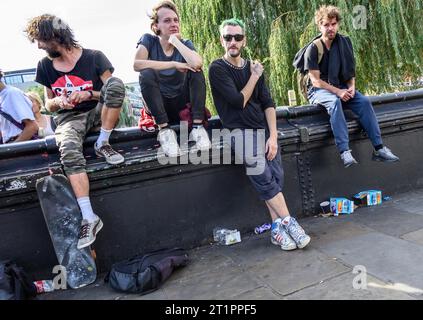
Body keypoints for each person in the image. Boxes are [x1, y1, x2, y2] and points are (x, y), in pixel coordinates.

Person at [209, 18, 311, 251]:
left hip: (262, 130)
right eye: (228, 37)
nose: (232, 41)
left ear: (243, 40)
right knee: (263, 177)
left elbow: (268, 103)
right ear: (221, 40)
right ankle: (290, 222)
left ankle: (276, 229)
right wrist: (254, 76)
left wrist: (273, 136)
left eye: (237, 37)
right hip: (239, 133)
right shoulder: (217, 68)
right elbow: (238, 101)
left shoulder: (252, 66)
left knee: (275, 179)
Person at [25, 14, 126, 249]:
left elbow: (112, 92)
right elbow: (47, 104)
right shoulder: (45, 66)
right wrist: (59, 101)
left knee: (116, 83)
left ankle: (103, 142)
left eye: (40, 40)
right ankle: (89, 217)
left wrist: (89, 94)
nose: (39, 46)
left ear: (53, 35)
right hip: (70, 118)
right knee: (68, 149)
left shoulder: (94, 57)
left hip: (99, 112)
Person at [303, 5, 399, 168]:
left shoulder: (344, 42)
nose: (330, 28)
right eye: (326, 25)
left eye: (333, 24)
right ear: (319, 26)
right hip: (319, 90)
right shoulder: (313, 48)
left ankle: (379, 148)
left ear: (338, 24)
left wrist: (351, 87)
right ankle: (344, 151)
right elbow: (315, 81)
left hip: (340, 86)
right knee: (334, 103)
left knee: (363, 102)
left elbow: (350, 71)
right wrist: (338, 92)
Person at [134, 0, 211, 157]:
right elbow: (137, 64)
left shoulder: (184, 43)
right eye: (167, 20)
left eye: (176, 20)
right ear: (156, 26)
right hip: (159, 105)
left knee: (196, 70)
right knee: (146, 73)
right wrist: (173, 64)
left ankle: (197, 128)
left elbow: (197, 63)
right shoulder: (148, 40)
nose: (173, 24)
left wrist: (175, 41)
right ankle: (165, 132)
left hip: (180, 104)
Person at [0, 69, 39, 144]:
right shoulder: (2, 96)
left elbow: (32, 127)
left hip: (21, 147)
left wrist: (10, 149)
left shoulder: (12, 94)